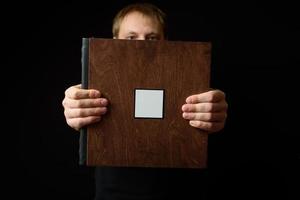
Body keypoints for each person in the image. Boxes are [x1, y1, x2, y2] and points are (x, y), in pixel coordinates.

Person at [62, 2, 228, 200]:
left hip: (179, 191)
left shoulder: (187, 79)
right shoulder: (99, 80)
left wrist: (213, 112)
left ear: (166, 42)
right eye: (131, 37)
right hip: (114, 193)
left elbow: (208, 107)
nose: (141, 45)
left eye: (151, 38)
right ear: (114, 42)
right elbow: (81, 109)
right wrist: (75, 110)